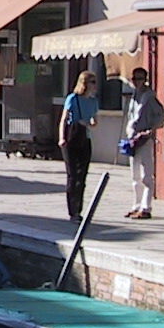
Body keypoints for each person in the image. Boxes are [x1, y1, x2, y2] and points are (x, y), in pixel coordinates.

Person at [123, 67, 164, 219]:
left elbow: (162, 117)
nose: (136, 82)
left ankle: (146, 208)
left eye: (140, 79)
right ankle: (136, 205)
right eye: (134, 79)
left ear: (145, 80)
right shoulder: (134, 96)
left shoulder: (149, 97)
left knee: (146, 175)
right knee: (135, 175)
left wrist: (150, 130)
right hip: (132, 139)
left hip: (144, 139)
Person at [59, 70, 100, 220]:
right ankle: (72, 210)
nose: (95, 85)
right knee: (72, 175)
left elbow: (95, 122)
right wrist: (61, 138)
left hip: (85, 139)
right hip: (71, 139)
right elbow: (64, 119)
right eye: (92, 82)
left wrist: (88, 123)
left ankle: (78, 209)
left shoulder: (93, 102)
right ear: (84, 83)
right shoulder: (73, 98)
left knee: (82, 175)